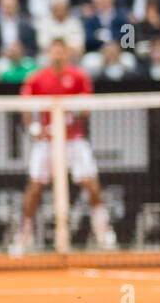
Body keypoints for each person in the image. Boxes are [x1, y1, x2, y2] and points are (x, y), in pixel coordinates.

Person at [11, 38, 117, 256]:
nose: (58, 56)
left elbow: (86, 109)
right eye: (54, 52)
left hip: (74, 140)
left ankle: (104, 234)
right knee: (35, 187)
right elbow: (25, 111)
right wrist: (34, 129)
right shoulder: (37, 78)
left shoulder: (79, 77)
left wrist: (70, 117)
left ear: (67, 54)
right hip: (46, 143)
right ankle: (24, 236)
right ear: (49, 54)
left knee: (92, 185)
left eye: (61, 52)